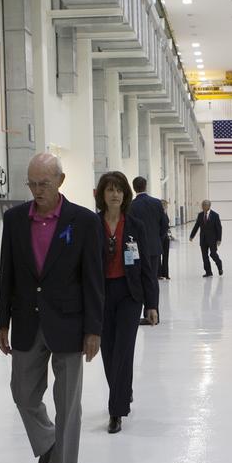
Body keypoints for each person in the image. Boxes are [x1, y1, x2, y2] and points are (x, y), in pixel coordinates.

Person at [0, 152, 103, 463]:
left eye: (43, 183)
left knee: (68, 405)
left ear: (60, 181)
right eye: (32, 183)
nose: (37, 190)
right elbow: (7, 273)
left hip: (70, 322)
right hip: (27, 320)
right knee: (23, 394)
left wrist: (93, 329)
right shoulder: (14, 220)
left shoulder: (83, 221)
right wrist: (1, 321)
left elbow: (92, 278)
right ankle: (48, 444)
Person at [95, 172, 159, 433]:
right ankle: (123, 391)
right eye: (110, 190)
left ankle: (116, 410)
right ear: (102, 195)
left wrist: (151, 304)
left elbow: (146, 268)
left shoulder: (135, 226)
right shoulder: (92, 224)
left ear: (126, 194)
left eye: (119, 190)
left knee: (123, 349)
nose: (115, 194)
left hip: (129, 294)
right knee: (108, 351)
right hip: (101, 294)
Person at [128, 176, 170, 288]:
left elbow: (129, 228)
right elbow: (165, 224)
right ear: (146, 186)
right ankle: (152, 304)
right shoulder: (157, 203)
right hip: (154, 246)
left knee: (138, 277)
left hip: (137, 248)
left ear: (133, 188)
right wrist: (158, 238)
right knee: (152, 277)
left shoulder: (131, 206)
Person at [189, 200, 224, 277]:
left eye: (204, 205)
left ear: (208, 206)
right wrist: (192, 236)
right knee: (204, 256)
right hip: (203, 239)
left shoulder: (215, 215)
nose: (202, 207)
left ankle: (219, 265)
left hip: (212, 239)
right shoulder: (200, 215)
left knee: (213, 254)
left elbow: (219, 228)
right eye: (202, 205)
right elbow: (196, 226)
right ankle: (208, 272)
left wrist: (219, 239)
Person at [159, 198, 172, 279]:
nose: (166, 206)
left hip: (166, 238)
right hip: (160, 237)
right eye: (165, 205)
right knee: (158, 257)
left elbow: (167, 226)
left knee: (166, 256)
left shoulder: (165, 213)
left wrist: (170, 234)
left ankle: (165, 274)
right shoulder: (159, 214)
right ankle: (159, 273)